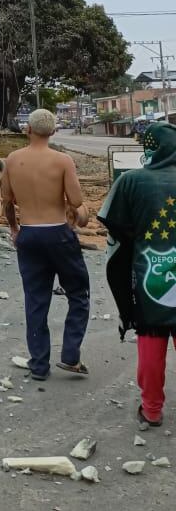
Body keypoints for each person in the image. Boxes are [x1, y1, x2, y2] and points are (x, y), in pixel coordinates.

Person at [0, 108, 91, 381]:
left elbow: (6, 202)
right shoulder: (62, 161)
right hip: (58, 233)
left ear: (28, 130)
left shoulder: (13, 160)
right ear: (53, 132)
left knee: (36, 301)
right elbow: (76, 203)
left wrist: (15, 229)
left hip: (28, 234)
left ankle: (39, 365)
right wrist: (81, 214)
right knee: (78, 293)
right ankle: (70, 355)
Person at [99, 121, 176, 428]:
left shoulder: (131, 181)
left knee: (151, 342)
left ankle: (152, 409)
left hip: (150, 276)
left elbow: (116, 227)